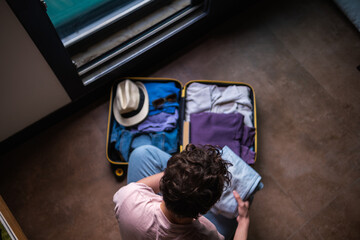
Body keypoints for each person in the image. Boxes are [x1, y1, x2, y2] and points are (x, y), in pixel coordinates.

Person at [113, 144, 250, 240]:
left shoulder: (128, 198)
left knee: (141, 154)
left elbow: (143, 185)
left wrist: (179, 172)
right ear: (207, 209)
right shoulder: (207, 234)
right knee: (241, 206)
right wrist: (243, 221)